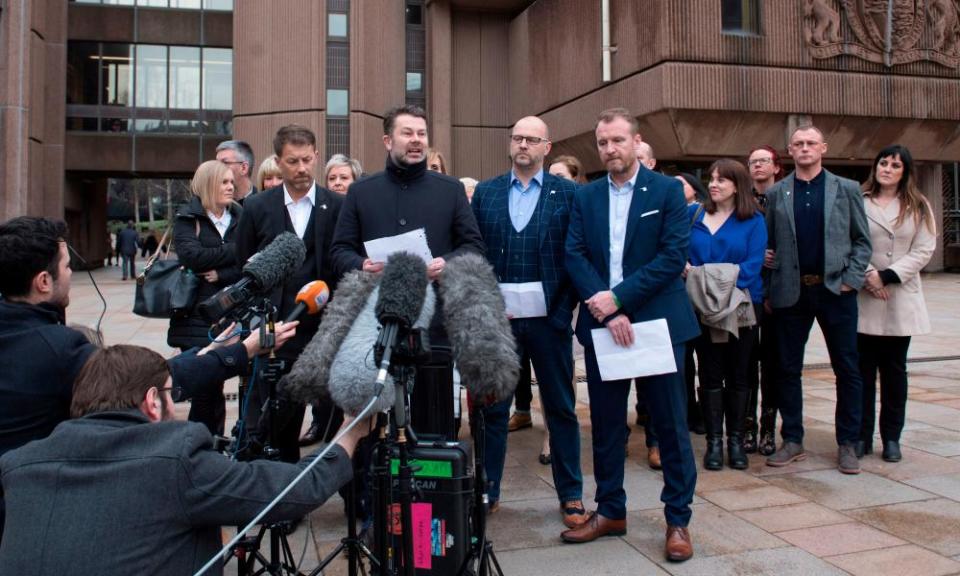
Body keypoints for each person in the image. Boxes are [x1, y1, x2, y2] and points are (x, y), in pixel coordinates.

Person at [0, 216, 293, 543]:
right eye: (67, 267)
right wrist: (241, 352)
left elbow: (146, 373)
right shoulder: (57, 349)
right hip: (27, 512)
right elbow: (145, 384)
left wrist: (210, 349)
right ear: (43, 281)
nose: (70, 274)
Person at [0, 344, 368, 575]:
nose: (176, 403)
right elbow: (291, 492)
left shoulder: (20, 465)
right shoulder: (173, 461)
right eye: (170, 393)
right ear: (150, 401)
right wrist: (348, 434)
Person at [563, 108, 698, 562]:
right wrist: (605, 309)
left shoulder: (666, 191)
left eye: (617, 140)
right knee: (605, 425)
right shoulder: (585, 197)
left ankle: (677, 520)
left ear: (636, 141)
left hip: (656, 323)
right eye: (603, 143)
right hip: (605, 327)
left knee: (670, 425)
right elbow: (575, 254)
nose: (610, 149)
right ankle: (611, 511)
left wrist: (619, 300)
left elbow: (670, 257)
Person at [330, 104, 484, 438]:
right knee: (372, 432)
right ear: (388, 140)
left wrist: (447, 263)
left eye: (421, 134)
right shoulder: (362, 192)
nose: (416, 141)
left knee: (434, 428)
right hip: (374, 324)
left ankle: (428, 490)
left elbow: (472, 246)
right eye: (407, 133)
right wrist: (361, 265)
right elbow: (339, 251)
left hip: (434, 326)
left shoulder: (449, 189)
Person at [472, 116, 584, 526]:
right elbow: (475, 254)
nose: (523, 145)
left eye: (531, 139)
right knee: (492, 411)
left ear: (546, 147)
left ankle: (571, 495)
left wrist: (560, 315)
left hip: (549, 321)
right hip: (500, 324)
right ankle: (487, 490)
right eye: (517, 137)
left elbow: (576, 257)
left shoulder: (569, 195)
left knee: (560, 409)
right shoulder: (485, 193)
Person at [763, 124, 871, 475]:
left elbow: (861, 241)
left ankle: (848, 443)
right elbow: (769, 242)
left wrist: (851, 281)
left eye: (811, 143)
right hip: (791, 292)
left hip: (834, 291)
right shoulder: (778, 193)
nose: (805, 148)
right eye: (798, 144)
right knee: (786, 368)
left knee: (847, 369)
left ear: (823, 148)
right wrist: (768, 277)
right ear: (790, 151)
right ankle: (792, 438)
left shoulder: (847, 188)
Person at [235, 125, 343, 463]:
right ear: (278, 162)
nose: (301, 168)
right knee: (281, 412)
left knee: (334, 411)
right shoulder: (257, 208)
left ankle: (342, 485)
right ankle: (284, 487)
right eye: (293, 161)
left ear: (315, 157)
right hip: (279, 327)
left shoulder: (337, 205)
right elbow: (242, 261)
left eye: (307, 160)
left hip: (327, 327)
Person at [685, 159, 766, 471]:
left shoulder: (753, 220)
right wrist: (704, 283)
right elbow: (684, 259)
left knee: (740, 373)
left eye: (722, 179)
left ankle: (736, 440)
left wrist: (705, 278)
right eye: (712, 178)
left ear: (738, 185)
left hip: (742, 306)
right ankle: (714, 443)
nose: (714, 184)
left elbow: (752, 266)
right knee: (708, 372)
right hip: (702, 307)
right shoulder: (695, 215)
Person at [857, 145, 936, 462]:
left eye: (895, 165)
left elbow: (924, 249)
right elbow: (848, 240)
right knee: (861, 373)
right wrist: (869, 275)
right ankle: (861, 436)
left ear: (905, 172)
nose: (887, 169)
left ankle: (892, 437)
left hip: (899, 296)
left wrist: (888, 275)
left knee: (894, 372)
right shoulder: (859, 201)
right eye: (883, 163)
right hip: (864, 295)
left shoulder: (918, 205)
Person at [167, 159, 243, 436]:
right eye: (224, 182)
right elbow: (192, 256)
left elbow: (249, 256)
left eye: (232, 181)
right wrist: (234, 251)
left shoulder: (240, 216)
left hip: (233, 311)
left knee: (223, 379)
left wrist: (221, 273)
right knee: (206, 386)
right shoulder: (189, 218)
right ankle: (201, 443)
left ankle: (217, 441)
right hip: (196, 316)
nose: (230, 187)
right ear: (209, 184)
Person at [746, 145, 785, 456]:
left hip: (779, 290)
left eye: (763, 161)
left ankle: (768, 427)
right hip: (749, 291)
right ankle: (746, 426)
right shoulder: (744, 201)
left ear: (776, 167)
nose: (758, 166)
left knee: (772, 364)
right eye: (753, 162)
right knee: (746, 362)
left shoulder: (785, 197)